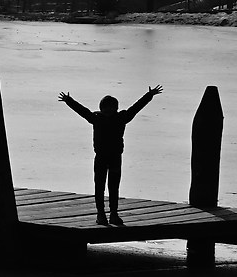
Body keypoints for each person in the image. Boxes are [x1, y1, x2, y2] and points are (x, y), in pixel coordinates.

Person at [59, 85, 162, 224]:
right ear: (101, 108)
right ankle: (101, 214)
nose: (108, 110)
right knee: (99, 186)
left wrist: (149, 95)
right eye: (105, 107)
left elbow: (136, 107)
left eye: (111, 107)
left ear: (116, 108)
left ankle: (113, 214)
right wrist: (69, 101)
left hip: (115, 158)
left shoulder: (121, 117)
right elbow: (82, 111)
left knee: (114, 187)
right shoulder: (96, 118)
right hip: (101, 157)